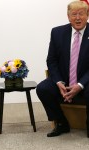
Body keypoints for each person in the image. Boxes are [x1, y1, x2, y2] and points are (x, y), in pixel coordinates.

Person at [36, 0, 89, 138]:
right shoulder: (57, 32)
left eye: (81, 14)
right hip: (64, 79)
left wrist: (80, 84)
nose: (77, 18)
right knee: (43, 88)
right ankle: (61, 123)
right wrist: (59, 81)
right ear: (68, 17)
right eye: (74, 14)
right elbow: (51, 60)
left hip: (86, 80)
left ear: (87, 15)